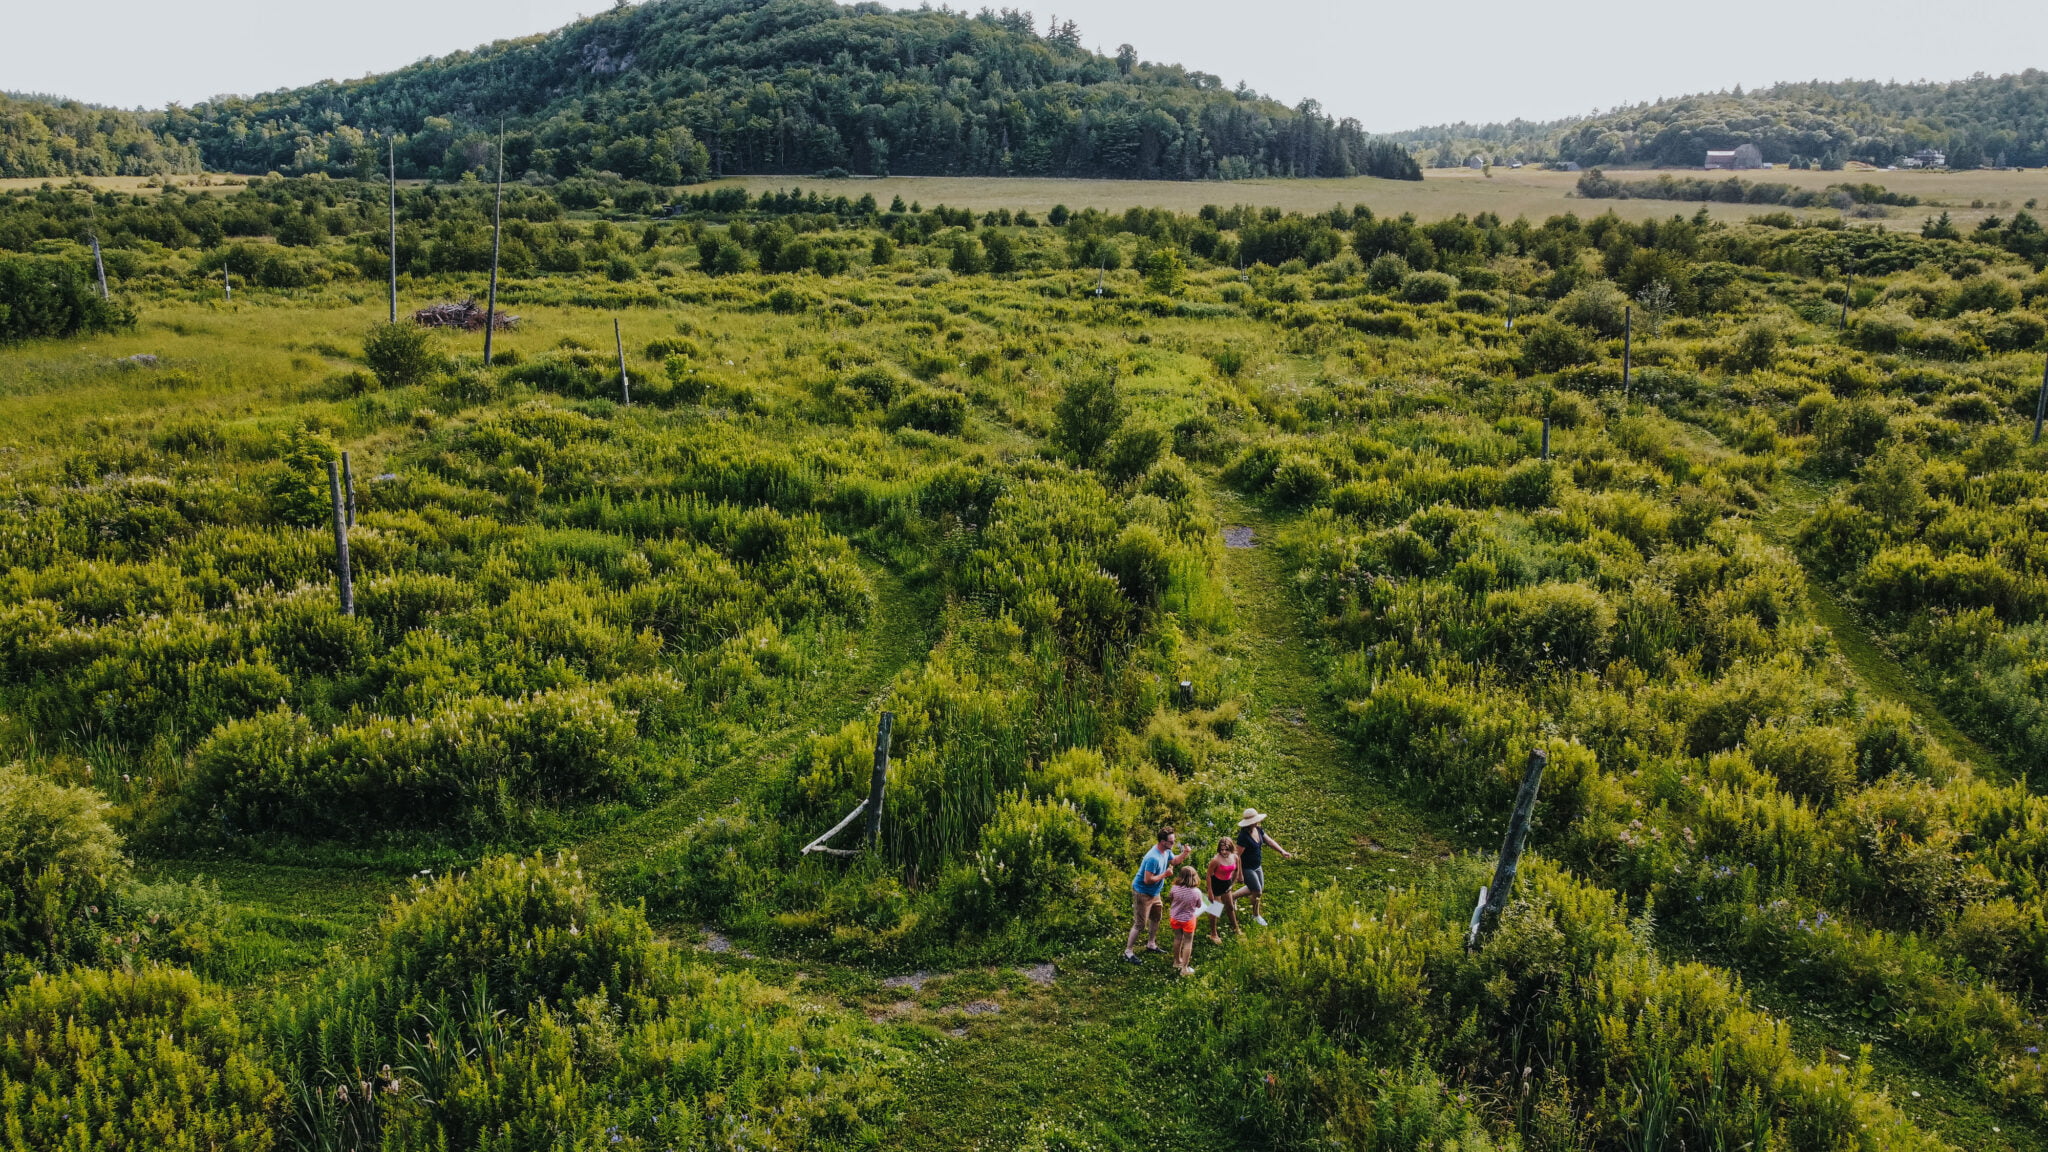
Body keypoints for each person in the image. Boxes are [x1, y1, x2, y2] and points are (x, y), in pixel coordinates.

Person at [1125, 826, 1187, 963]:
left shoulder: (1166, 851)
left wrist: (1185, 853)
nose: (1173, 843)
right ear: (1162, 842)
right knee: (1140, 924)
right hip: (1143, 893)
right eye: (1171, 841)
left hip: (1155, 892)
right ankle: (1128, 952)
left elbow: (1175, 861)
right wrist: (1165, 874)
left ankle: (1151, 944)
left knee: (1156, 917)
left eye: (1174, 840)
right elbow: (1147, 880)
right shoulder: (1153, 858)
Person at [1234, 808, 1297, 926]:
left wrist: (1282, 851)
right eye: (1254, 820)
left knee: (1258, 889)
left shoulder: (1258, 829)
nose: (1257, 822)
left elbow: (1269, 841)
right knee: (1257, 891)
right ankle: (1255, 915)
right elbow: (1237, 856)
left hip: (1257, 866)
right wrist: (1239, 873)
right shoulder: (1243, 836)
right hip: (1247, 868)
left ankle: (1233, 897)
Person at [1167, 865, 1204, 976]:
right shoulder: (1196, 892)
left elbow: (1170, 898)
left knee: (1178, 938)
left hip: (1175, 917)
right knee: (1188, 942)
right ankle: (1184, 968)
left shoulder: (1174, 888)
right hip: (1188, 920)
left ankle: (1176, 961)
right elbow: (1199, 905)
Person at [1206, 836, 1242, 944]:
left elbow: (1236, 871)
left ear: (1231, 848)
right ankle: (1213, 933)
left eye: (1226, 849)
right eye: (1221, 849)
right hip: (1216, 885)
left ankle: (1236, 928)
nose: (1224, 852)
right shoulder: (1216, 860)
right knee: (1215, 910)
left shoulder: (1235, 857)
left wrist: (1233, 883)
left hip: (1227, 884)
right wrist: (1210, 892)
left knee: (1230, 907)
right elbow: (1208, 875)